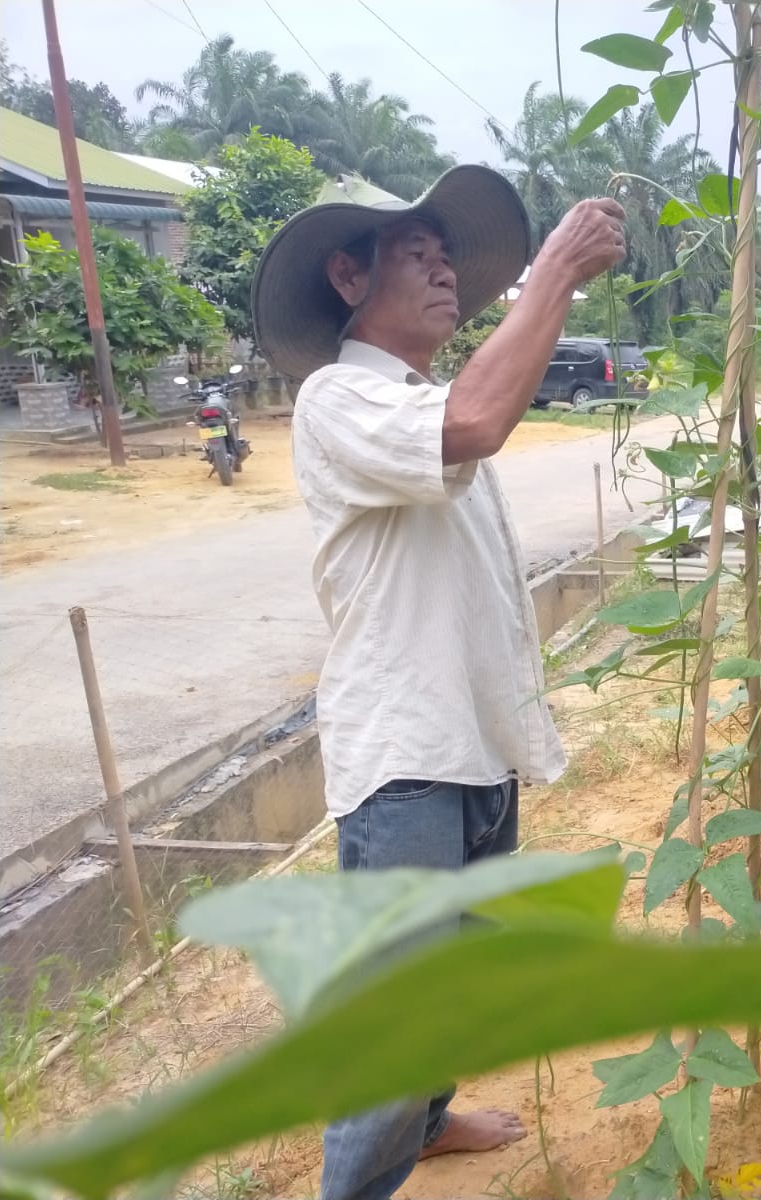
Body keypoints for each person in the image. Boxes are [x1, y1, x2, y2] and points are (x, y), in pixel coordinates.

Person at [251, 168, 626, 1200]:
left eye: (444, 253)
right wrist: (551, 270)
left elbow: (468, 415)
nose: (442, 268)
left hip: (469, 741)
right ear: (345, 273)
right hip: (407, 757)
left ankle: (424, 1123)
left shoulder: (415, 396)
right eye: (413, 253)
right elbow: (475, 427)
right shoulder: (339, 397)